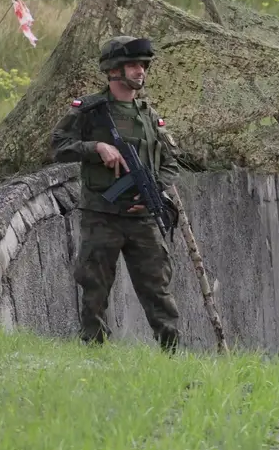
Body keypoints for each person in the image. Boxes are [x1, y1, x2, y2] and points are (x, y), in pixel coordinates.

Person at [50, 35, 183, 352]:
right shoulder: (89, 111)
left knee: (158, 289)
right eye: (133, 65)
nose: (141, 72)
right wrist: (96, 147)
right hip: (102, 216)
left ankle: (172, 354)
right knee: (94, 287)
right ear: (113, 70)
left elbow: (171, 162)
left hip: (143, 218)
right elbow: (58, 147)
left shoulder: (149, 116)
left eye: (143, 66)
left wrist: (156, 191)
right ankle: (94, 351)